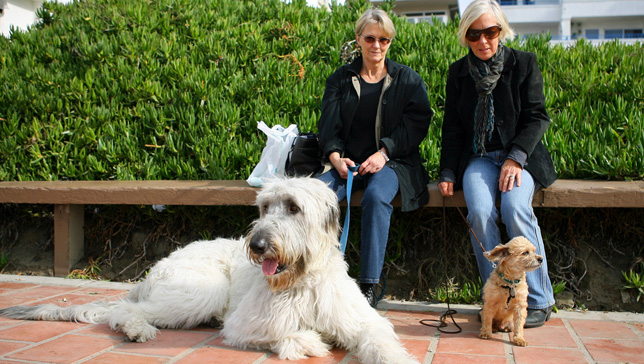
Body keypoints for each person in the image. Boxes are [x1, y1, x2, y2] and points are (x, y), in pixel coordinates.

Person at [437, 0, 556, 327]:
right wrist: (447, 171)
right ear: (466, 36)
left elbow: (537, 117)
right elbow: (452, 128)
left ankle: (540, 299)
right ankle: (496, 298)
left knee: (515, 209)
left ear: (501, 30)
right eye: (475, 34)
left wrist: (516, 157)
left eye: (491, 32)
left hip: (520, 159)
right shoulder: (458, 72)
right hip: (478, 159)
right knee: (479, 211)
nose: (483, 41)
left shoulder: (524, 64)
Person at [317, 8, 432, 308]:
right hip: (347, 163)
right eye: (370, 38)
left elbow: (417, 125)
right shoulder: (340, 80)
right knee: (316, 196)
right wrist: (335, 157)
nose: (377, 45)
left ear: (390, 42)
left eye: (384, 39)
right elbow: (328, 126)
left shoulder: (407, 79)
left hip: (394, 163)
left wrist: (384, 153)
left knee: (377, 196)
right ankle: (312, 276)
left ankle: (369, 284)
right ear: (358, 39)